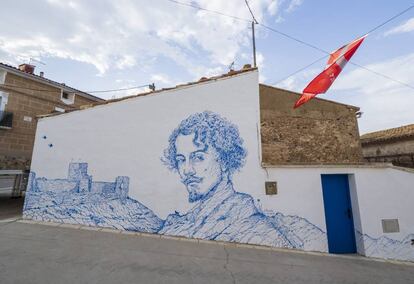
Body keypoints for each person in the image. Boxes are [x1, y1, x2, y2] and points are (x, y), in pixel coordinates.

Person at [159, 111, 294, 248]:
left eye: (198, 157)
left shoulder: (255, 229)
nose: (187, 170)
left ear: (224, 161)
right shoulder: (194, 218)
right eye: (180, 160)